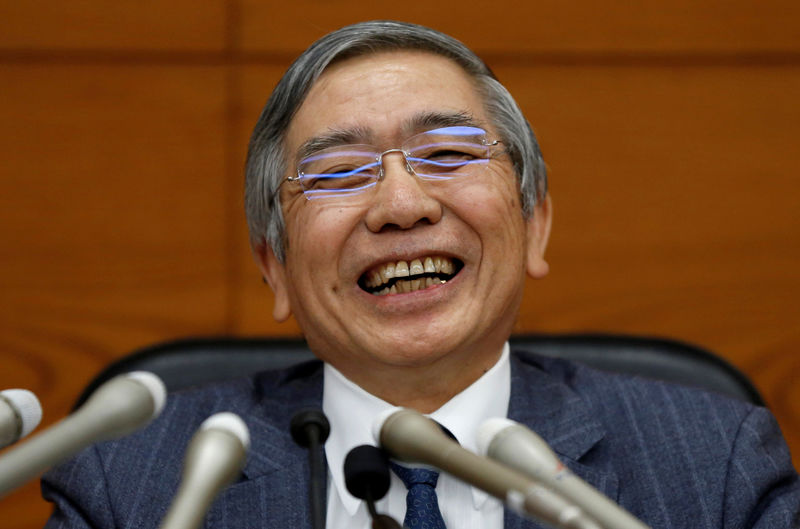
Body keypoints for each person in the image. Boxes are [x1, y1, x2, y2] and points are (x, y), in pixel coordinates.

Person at [42, 20, 798, 529]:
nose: (401, 205)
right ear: (273, 265)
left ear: (534, 221)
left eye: (447, 153)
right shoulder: (133, 480)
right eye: (338, 172)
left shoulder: (712, 464)